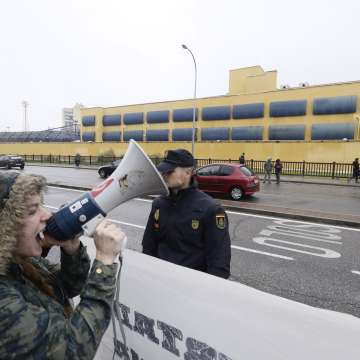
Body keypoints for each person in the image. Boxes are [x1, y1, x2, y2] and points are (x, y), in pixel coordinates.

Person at [0, 172, 126, 359]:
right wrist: (104, 263)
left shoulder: (18, 262)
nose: (47, 215)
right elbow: (71, 350)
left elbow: (67, 287)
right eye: (33, 210)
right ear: (5, 226)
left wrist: (71, 249)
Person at [142, 149, 231, 279]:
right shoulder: (159, 204)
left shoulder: (211, 209)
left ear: (188, 172)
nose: (165, 174)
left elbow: (219, 263)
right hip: (158, 280)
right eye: (164, 170)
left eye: (170, 171)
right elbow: (148, 246)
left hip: (191, 286)